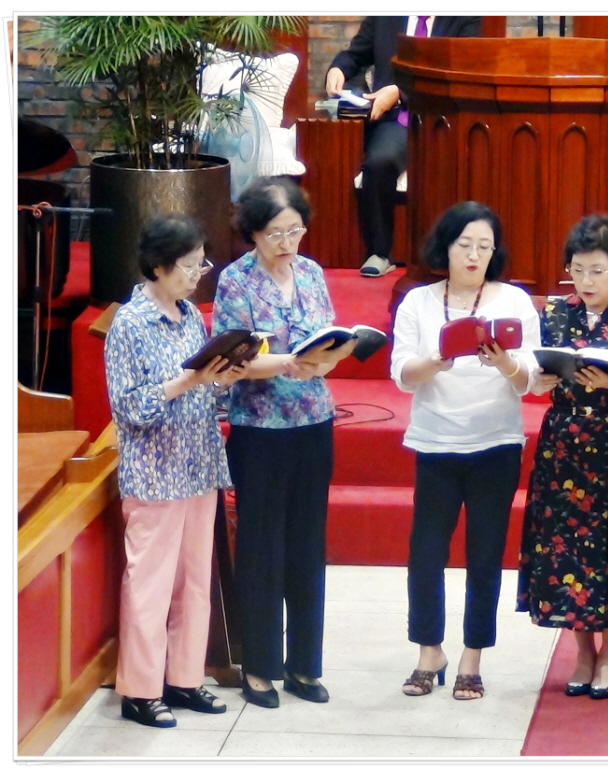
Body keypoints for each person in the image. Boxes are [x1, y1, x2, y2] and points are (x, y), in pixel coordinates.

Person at [212, 176, 358, 708]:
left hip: (313, 422)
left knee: (306, 544)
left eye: (295, 230)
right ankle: (259, 668)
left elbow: (329, 340)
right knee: (261, 546)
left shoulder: (312, 273)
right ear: (252, 232)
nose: (287, 242)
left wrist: (329, 358)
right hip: (259, 427)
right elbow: (233, 357)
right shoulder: (236, 280)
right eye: (275, 233)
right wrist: (288, 364)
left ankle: (303, 666)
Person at [390, 200, 541, 700]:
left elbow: (529, 381)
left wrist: (504, 363)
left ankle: (472, 657)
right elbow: (402, 374)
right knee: (425, 553)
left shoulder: (514, 301)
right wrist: (436, 360)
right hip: (436, 442)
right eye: (465, 244)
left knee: (485, 553)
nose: (474, 255)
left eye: (484, 246)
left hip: (496, 443)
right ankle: (428, 651)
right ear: (446, 246)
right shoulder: (418, 302)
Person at [105, 214, 248, 728]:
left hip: (199, 464)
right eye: (189, 266)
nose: (197, 275)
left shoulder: (189, 315)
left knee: (194, 581)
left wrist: (223, 378)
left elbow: (204, 391)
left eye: (201, 264)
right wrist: (187, 381)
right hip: (155, 473)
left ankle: (185, 678)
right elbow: (130, 408)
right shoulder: (129, 324)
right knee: (150, 584)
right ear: (159, 267)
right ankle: (140, 691)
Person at [517, 214, 608, 701]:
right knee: (568, 548)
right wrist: (539, 379)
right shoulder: (556, 313)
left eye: (597, 271)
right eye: (577, 270)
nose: (586, 281)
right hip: (564, 443)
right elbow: (537, 376)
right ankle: (582, 652)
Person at [325, 15, 482, 277]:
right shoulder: (385, 16)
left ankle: (455, 250)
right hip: (397, 120)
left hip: (443, 117)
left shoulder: (465, 17)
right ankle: (379, 252)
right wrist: (338, 69)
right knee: (379, 162)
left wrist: (400, 91)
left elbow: (462, 71)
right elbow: (355, 54)